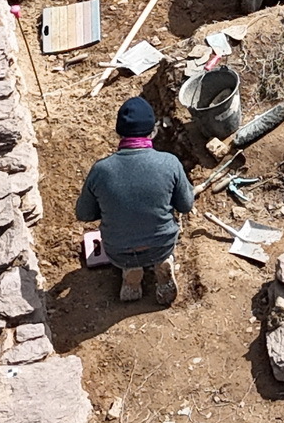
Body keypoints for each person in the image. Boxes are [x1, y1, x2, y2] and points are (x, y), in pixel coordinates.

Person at [75, 95, 195, 304]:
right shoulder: (170, 163)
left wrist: (108, 206)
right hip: (162, 244)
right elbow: (186, 205)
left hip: (119, 250)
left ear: (119, 133)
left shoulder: (101, 170)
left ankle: (131, 273)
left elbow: (83, 214)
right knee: (162, 236)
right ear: (153, 130)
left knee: (126, 254)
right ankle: (163, 262)